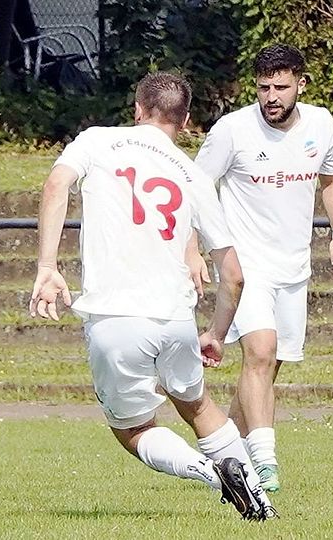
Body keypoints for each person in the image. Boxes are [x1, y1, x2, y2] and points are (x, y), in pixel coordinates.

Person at [30, 71, 276, 521]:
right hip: (175, 318)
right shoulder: (193, 174)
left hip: (116, 317)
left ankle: (211, 472)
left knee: (133, 429)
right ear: (184, 123)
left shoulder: (98, 140)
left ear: (137, 109)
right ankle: (261, 503)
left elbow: (54, 186)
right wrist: (217, 335)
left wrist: (47, 268)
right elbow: (234, 275)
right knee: (199, 406)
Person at [193, 44, 333, 493]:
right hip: (246, 266)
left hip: (293, 266)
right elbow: (194, 187)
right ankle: (265, 466)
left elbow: (332, 179)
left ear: (301, 83)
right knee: (259, 354)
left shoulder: (321, 123)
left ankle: (226, 457)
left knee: (266, 371)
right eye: (264, 87)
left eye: (281, 87)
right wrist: (192, 252)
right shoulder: (232, 130)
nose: (272, 97)